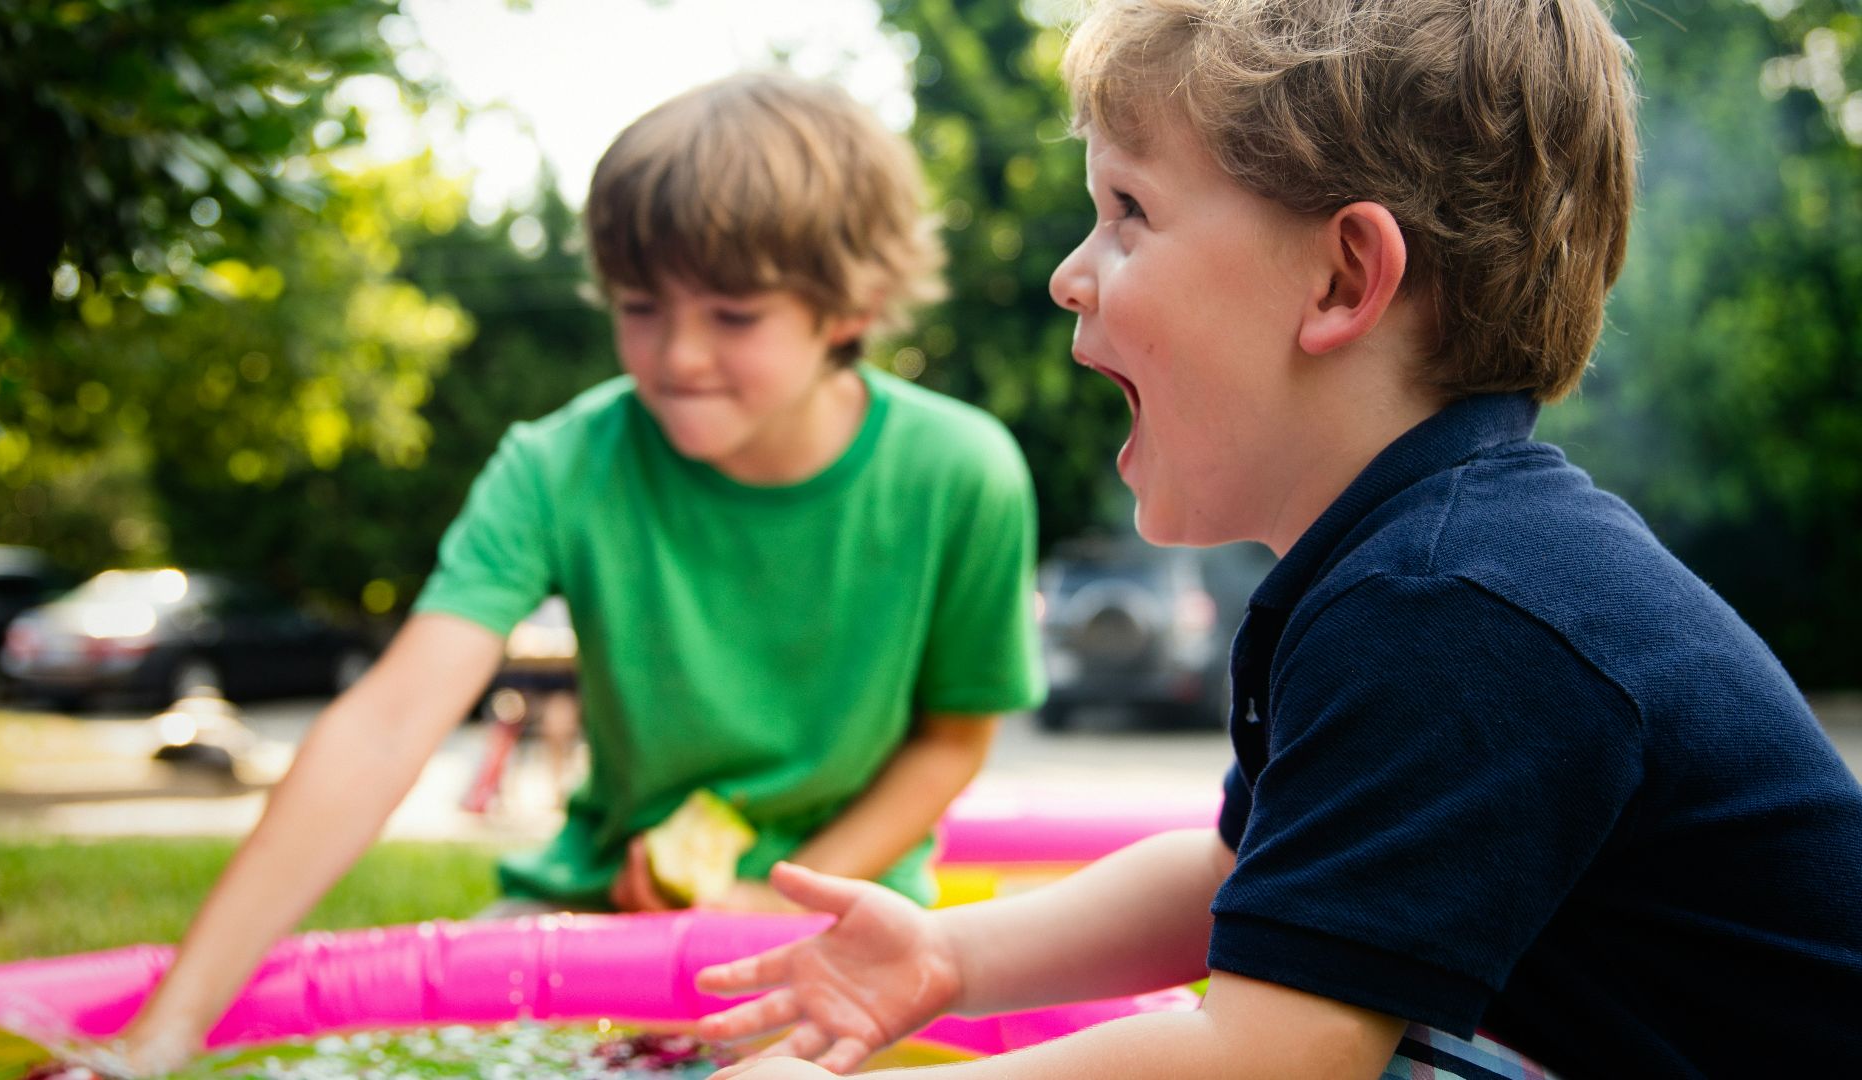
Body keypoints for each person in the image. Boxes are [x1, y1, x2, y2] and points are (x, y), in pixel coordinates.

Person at [690, 1, 1862, 1076]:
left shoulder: (1455, 605)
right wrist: (952, 960)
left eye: (1128, 213)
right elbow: (1235, 878)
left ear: (1344, 276)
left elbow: (1271, 1059)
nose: (1066, 276)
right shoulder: (1420, 564)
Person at [112, 72, 1045, 1072]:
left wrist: (774, 896)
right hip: (591, 908)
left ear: (849, 306)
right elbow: (386, 726)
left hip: (847, 924)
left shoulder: (963, 473)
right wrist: (165, 1031)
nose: (678, 355)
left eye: (733, 316)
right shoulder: (558, 464)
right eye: (640, 308)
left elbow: (950, 742)